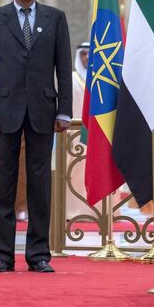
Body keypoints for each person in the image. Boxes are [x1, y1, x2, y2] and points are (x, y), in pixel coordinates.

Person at [0, 0, 72, 273]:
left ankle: (38, 254)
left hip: (44, 112)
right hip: (5, 114)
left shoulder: (55, 19)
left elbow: (63, 68)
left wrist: (65, 110)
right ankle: (2, 256)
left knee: (40, 185)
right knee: (3, 184)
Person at [66, 42, 89, 218]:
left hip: (97, 134)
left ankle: (94, 210)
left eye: (90, 53)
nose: (87, 57)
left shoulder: (102, 78)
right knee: (73, 173)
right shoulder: (71, 79)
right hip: (73, 136)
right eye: (83, 54)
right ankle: (73, 211)